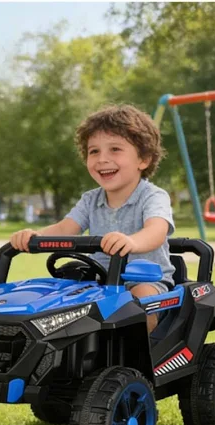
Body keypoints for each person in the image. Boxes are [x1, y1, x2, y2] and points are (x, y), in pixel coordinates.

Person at [10, 104, 175, 332]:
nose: (102, 159)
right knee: (58, 304)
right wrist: (35, 236)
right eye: (94, 151)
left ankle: (135, 352)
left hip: (144, 280)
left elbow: (156, 231)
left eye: (115, 149)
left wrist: (131, 242)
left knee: (139, 304)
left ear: (143, 159)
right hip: (97, 281)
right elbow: (66, 228)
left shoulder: (153, 196)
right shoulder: (90, 200)